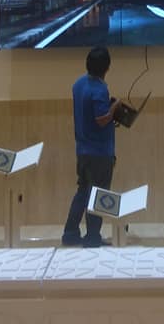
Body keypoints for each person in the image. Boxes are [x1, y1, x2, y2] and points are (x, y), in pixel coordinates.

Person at [62, 46, 121, 247]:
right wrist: (114, 107)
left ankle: (70, 233)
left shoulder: (78, 84)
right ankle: (93, 236)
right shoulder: (99, 89)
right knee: (98, 194)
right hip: (100, 152)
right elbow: (101, 119)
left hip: (82, 149)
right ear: (107, 67)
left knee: (83, 192)